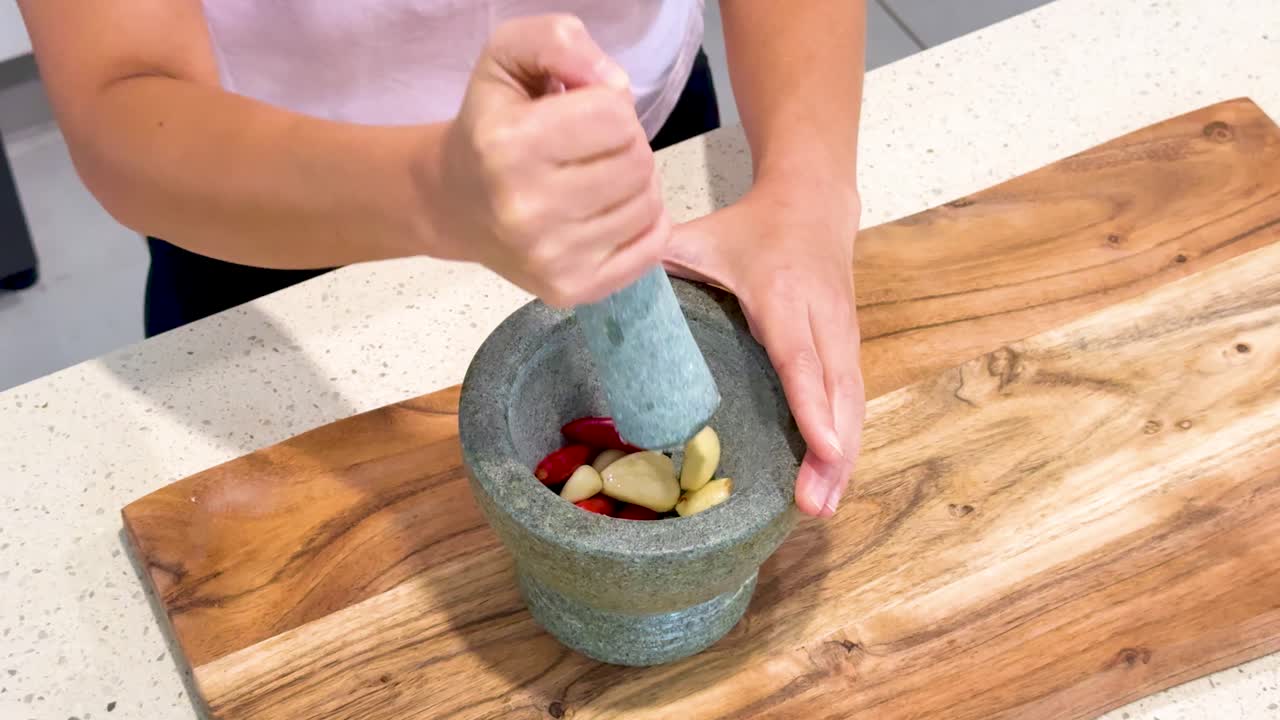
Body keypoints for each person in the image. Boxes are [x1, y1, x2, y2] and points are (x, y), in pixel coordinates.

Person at [19, 1, 867, 518]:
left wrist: (806, 188)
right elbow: (116, 95)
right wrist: (430, 191)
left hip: (646, 143)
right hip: (262, 213)